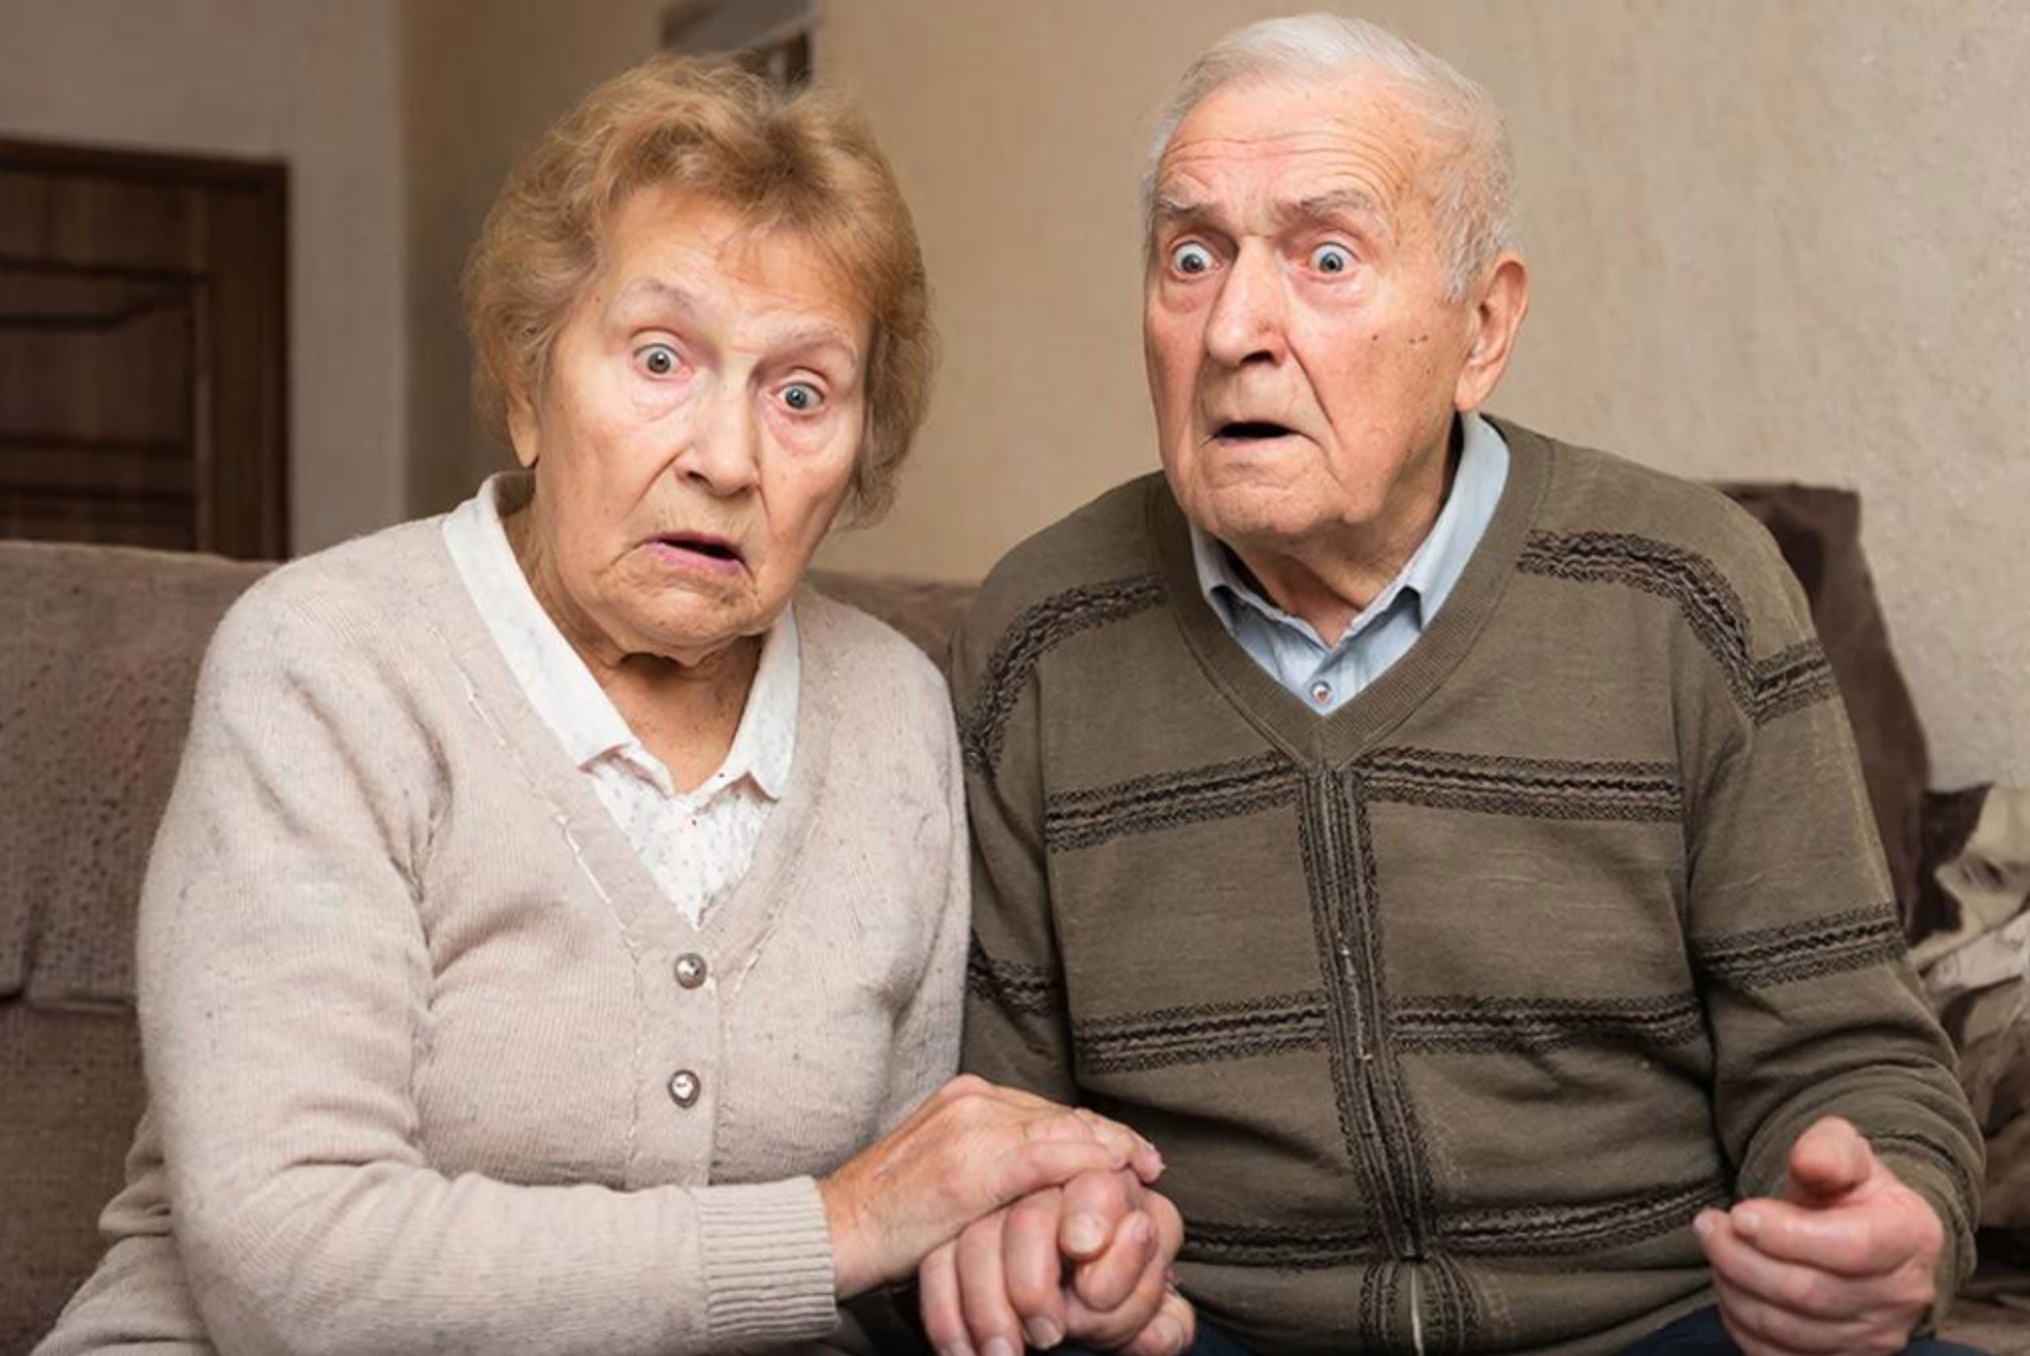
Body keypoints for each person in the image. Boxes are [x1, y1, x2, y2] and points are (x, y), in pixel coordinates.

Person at [35, 55, 1177, 1356]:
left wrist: (1035, 1252)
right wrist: (840, 1226)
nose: (726, 458)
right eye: (659, 359)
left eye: (801, 394)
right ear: (528, 383)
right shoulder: (327, 664)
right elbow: (287, 1260)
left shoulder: (893, 717)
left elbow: (902, 1225)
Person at [935, 15, 1988, 1356]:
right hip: (1212, 1332)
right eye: (1190, 257)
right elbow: (1003, 1119)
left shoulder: (1687, 589)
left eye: (1325, 257)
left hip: (1657, 1326)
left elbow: (1849, 1056)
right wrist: (1047, 1238)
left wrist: (1885, 1220)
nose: (1234, 328)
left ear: (1480, 327)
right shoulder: (1040, 636)